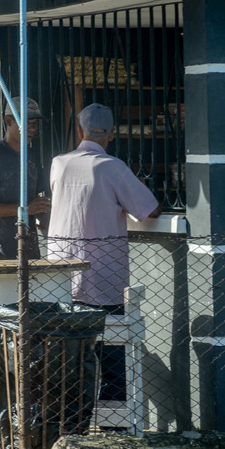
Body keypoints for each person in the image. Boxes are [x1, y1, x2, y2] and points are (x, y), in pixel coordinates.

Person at [47, 103, 160, 314]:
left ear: (80, 131)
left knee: (66, 341)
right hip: (104, 276)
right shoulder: (113, 167)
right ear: (112, 134)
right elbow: (150, 209)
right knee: (109, 340)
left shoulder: (58, 164)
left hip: (61, 274)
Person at [0, 97, 51, 260]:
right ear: (8, 120)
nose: (31, 129)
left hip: (31, 253)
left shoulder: (32, 156)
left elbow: (37, 201)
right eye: (26, 123)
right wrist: (25, 209)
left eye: (34, 124)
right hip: (2, 255)